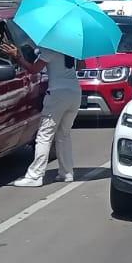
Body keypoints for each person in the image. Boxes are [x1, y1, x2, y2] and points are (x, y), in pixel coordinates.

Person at [14, 48, 81, 187]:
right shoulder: (72, 48)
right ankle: (67, 172)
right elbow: (82, 66)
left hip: (57, 93)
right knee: (64, 134)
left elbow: (34, 69)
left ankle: (35, 175)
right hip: (74, 92)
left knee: (44, 135)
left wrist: (18, 57)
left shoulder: (51, 49)